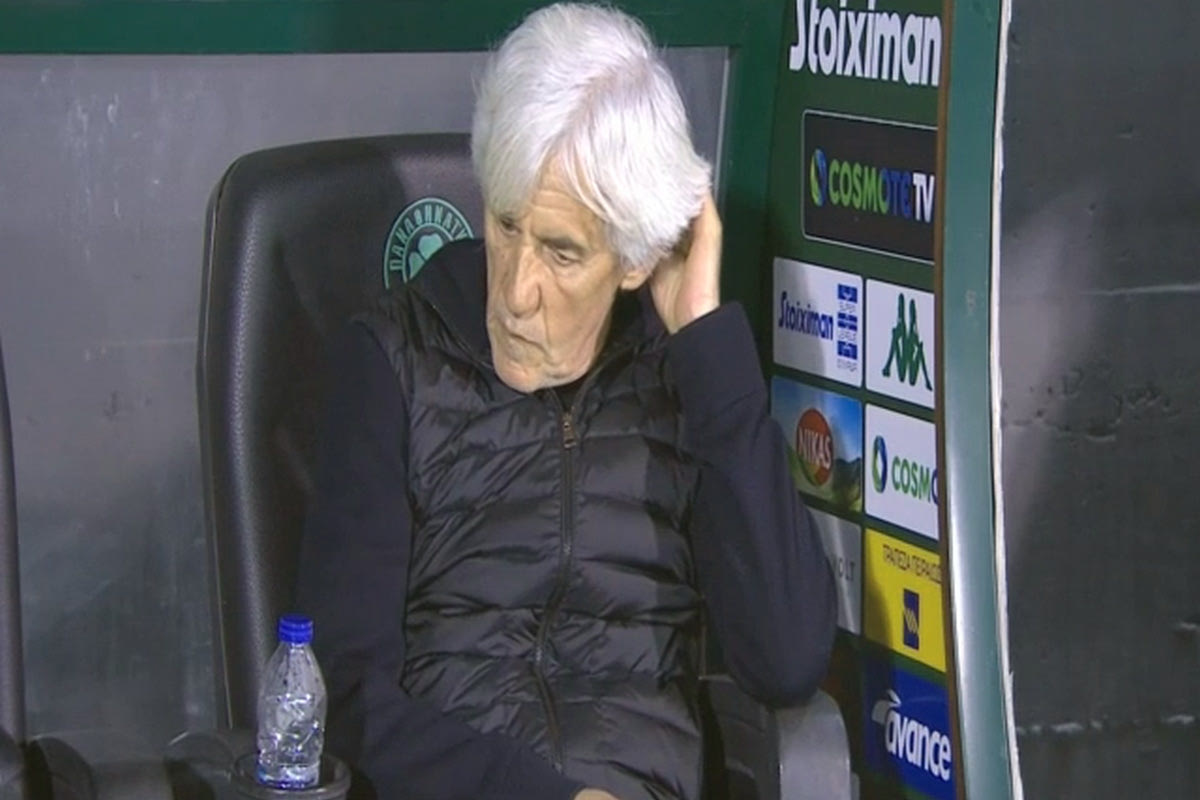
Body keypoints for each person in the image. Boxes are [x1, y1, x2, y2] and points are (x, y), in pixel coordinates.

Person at [296, 4, 836, 799]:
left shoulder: (682, 375)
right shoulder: (394, 360)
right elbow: (340, 700)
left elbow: (787, 662)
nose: (516, 291)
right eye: (506, 225)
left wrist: (706, 341)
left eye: (562, 253)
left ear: (636, 259)